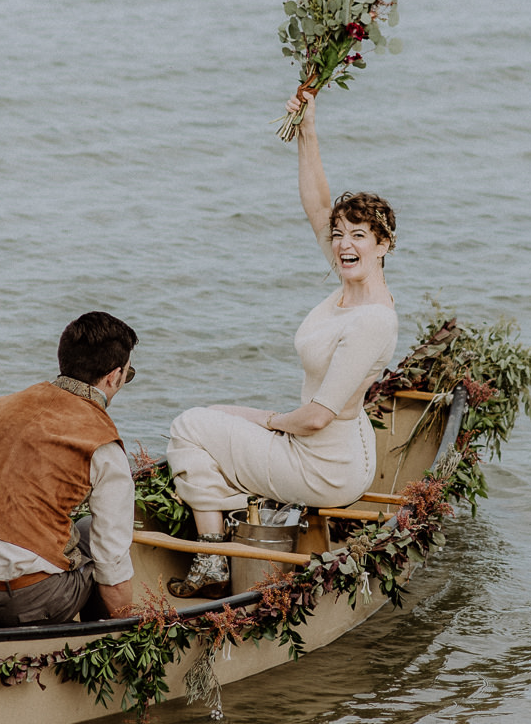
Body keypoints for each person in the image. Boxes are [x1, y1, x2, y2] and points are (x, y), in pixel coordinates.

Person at [165, 92, 400, 591]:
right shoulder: (348, 281)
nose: (343, 244)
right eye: (339, 235)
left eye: (359, 235)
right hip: (336, 450)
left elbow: (314, 419)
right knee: (214, 419)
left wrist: (259, 420)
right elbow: (318, 202)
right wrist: (308, 128)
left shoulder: (372, 321)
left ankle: (212, 559)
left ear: (384, 246)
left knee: (190, 425)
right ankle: (236, 509)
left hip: (325, 466)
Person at [0, 312, 138, 626]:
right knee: (103, 558)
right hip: (25, 601)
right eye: (127, 376)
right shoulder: (102, 444)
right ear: (114, 377)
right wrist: (130, 628)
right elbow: (113, 569)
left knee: (85, 530)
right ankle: (96, 648)